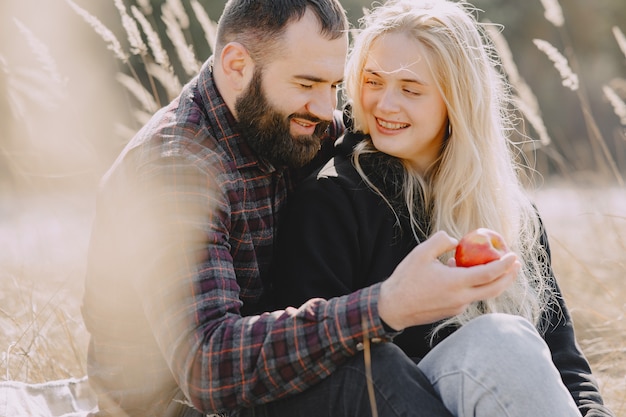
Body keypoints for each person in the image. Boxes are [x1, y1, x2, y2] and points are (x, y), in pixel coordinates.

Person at [81, 1, 523, 416]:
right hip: (183, 408)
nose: (326, 108)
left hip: (267, 389)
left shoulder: (295, 122)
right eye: (307, 83)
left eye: (334, 85)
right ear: (237, 66)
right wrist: (386, 305)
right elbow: (207, 366)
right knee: (368, 373)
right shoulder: (175, 169)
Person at [272, 0, 615, 416]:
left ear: (457, 100)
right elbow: (317, 375)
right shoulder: (331, 201)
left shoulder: (510, 213)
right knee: (499, 342)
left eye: (411, 89)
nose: (385, 104)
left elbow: (566, 363)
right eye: (373, 81)